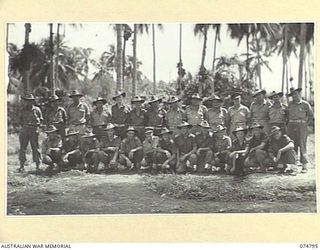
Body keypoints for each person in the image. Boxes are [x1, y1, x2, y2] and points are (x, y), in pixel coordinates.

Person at [286, 87, 314, 173]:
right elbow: (286, 115)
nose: (294, 96)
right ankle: (294, 166)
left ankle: (304, 166)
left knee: (302, 145)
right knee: (292, 145)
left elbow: (311, 115)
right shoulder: (290, 104)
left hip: (301, 125)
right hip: (291, 125)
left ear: (299, 93)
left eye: (296, 94)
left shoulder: (305, 104)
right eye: (293, 95)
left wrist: (305, 123)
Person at [18, 94, 43, 172]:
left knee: (36, 148)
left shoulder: (37, 110)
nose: (29, 103)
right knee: (23, 148)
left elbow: (41, 119)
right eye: (27, 101)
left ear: (33, 101)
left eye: (30, 101)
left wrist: (37, 126)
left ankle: (38, 165)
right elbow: (19, 120)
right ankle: (22, 165)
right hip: (25, 130)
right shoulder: (22, 110)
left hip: (34, 130)